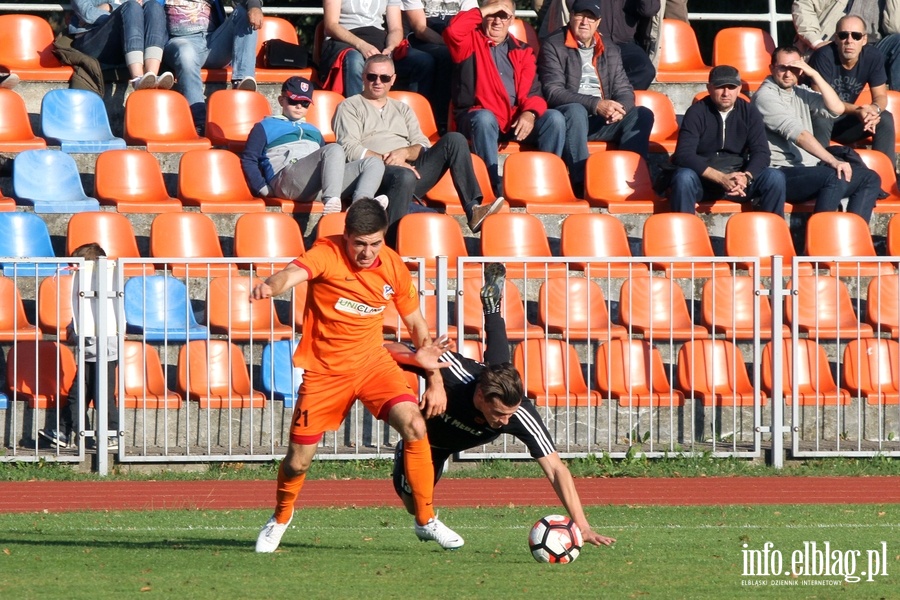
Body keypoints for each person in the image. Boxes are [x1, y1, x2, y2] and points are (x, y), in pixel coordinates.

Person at [252, 198, 463, 553]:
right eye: (360, 244)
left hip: (372, 364)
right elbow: (293, 273)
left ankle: (426, 519)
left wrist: (436, 381)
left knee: (414, 425)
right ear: (346, 236)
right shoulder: (326, 252)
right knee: (298, 460)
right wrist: (272, 286)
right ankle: (280, 517)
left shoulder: (393, 266)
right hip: (324, 372)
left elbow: (416, 324)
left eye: (375, 243)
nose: (367, 252)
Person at [386, 263, 616, 549]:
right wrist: (419, 359)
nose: (506, 422)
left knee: (500, 366)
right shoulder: (453, 373)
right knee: (412, 506)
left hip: (480, 393)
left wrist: (582, 526)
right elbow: (388, 348)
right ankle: (492, 310)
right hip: (428, 443)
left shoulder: (517, 412)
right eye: (499, 414)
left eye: (510, 413)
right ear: (481, 397)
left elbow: (556, 469)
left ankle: (493, 307)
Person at [332, 55, 505, 236]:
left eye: (384, 78)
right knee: (404, 174)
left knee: (455, 139)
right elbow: (350, 149)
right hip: (373, 175)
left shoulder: (403, 109)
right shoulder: (349, 106)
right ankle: (391, 242)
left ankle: (473, 209)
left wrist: (405, 152)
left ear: (393, 80)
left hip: (410, 172)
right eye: (371, 76)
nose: (378, 82)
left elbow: (422, 144)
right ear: (363, 76)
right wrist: (390, 161)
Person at [444, 0, 566, 195]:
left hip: (513, 120)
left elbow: (534, 92)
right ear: (484, 16)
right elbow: (453, 30)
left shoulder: (523, 50)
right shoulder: (468, 43)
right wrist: (489, 8)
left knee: (554, 119)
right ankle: (491, 187)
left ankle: (544, 182)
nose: (497, 21)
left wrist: (530, 113)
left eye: (504, 15)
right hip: (476, 117)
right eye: (493, 14)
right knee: (484, 118)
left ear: (511, 20)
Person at [537, 0, 654, 195]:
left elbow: (624, 89)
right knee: (576, 110)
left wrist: (619, 109)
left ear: (598, 22)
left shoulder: (610, 47)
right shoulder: (553, 44)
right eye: (580, 16)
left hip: (602, 119)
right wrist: (596, 104)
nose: (585, 22)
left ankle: (631, 180)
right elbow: (553, 91)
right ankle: (581, 183)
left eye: (590, 18)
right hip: (571, 117)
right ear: (571, 17)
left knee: (642, 114)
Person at [752, 45, 881, 220]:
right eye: (783, 68)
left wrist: (815, 75)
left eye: (794, 68)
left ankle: (855, 234)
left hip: (810, 170)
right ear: (772, 68)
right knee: (835, 176)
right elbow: (799, 135)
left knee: (870, 178)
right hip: (782, 173)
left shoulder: (800, 92)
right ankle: (822, 239)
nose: (788, 74)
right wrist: (833, 161)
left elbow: (836, 108)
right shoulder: (765, 97)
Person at [240, 76, 387, 215]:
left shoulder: (315, 130)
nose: (299, 106)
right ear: (281, 100)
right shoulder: (265, 125)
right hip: (286, 179)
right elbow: (249, 159)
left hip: (316, 186)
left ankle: (361, 206)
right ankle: (332, 201)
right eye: (293, 101)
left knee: (374, 162)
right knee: (334, 148)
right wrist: (262, 188)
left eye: (304, 103)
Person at [669, 65, 786, 215]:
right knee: (683, 178)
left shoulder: (750, 112)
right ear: (709, 88)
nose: (726, 93)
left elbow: (762, 153)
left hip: (739, 179)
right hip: (704, 178)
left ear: (739, 89)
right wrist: (720, 178)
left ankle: (773, 233)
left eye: (731, 87)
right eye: (720, 87)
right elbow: (684, 155)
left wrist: (746, 177)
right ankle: (682, 233)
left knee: (775, 177)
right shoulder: (696, 112)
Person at [38, 243, 119, 452]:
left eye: (76, 267)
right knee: (78, 395)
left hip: (104, 355)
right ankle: (64, 432)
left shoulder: (105, 290)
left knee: (102, 397)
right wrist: (73, 331)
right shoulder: (81, 294)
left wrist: (75, 334)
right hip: (88, 355)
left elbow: (98, 325)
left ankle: (112, 432)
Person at [808, 15, 896, 169]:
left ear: (864, 40)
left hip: (845, 123)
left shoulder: (872, 56)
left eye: (856, 36)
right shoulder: (823, 56)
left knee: (884, 118)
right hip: (814, 123)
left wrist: (873, 110)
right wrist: (858, 110)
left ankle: (885, 177)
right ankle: (819, 173)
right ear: (836, 39)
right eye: (843, 35)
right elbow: (820, 100)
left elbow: (881, 96)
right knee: (822, 115)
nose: (849, 41)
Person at [162, 0, 262, 131]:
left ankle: (241, 83)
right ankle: (200, 121)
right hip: (179, 42)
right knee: (186, 53)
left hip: (213, 42)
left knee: (244, 11)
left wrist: (254, 6)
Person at [320, 0, 434, 98]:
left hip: (378, 39)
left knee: (423, 61)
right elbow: (331, 25)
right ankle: (357, 113)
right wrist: (361, 45)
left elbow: (396, 29)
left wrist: (390, 48)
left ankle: (412, 114)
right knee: (354, 60)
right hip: (344, 40)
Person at [538, 0, 659, 90]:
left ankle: (611, 101)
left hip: (625, 43)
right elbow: (573, 9)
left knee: (645, 70)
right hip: (590, 42)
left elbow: (649, 9)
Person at [401, 0, 479, 132]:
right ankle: (438, 121)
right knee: (446, 56)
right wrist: (449, 43)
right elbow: (420, 29)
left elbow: (472, 22)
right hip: (422, 42)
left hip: (455, 40)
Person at [792, 0, 900, 89]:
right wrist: (817, 42)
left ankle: (897, 104)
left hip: (873, 49)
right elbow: (804, 6)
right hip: (835, 44)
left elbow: (895, 28)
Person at [68, 0, 173, 90]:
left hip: (124, 42)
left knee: (154, 6)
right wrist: (122, 12)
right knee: (132, 7)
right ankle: (137, 78)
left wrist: (109, 8)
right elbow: (87, 13)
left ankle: (151, 77)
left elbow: (147, 12)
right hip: (92, 41)